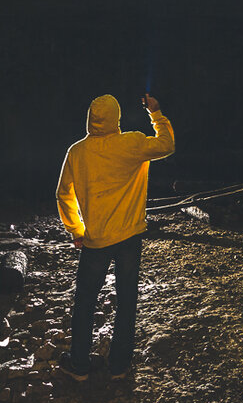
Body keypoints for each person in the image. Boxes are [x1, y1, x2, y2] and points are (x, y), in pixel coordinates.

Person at [55, 93, 175, 381]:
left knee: (84, 301)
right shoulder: (131, 143)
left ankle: (80, 365)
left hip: (95, 241)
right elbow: (167, 145)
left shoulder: (77, 152)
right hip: (129, 238)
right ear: (116, 119)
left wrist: (76, 230)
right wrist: (156, 114)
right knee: (127, 300)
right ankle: (119, 366)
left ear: (90, 119)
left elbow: (63, 194)